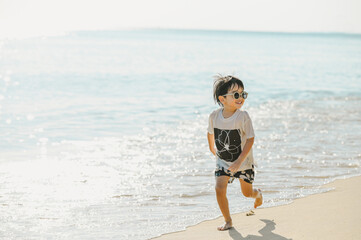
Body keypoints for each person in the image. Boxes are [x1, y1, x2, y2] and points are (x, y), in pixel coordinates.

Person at [207, 75, 263, 231]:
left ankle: (257, 194)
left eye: (243, 94)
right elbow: (210, 132)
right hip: (223, 161)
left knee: (247, 193)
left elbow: (250, 140)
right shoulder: (214, 116)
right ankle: (228, 221)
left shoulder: (243, 117)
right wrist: (211, 147)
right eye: (236, 95)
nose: (241, 98)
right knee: (219, 188)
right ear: (222, 99)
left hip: (243, 162)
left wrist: (238, 162)